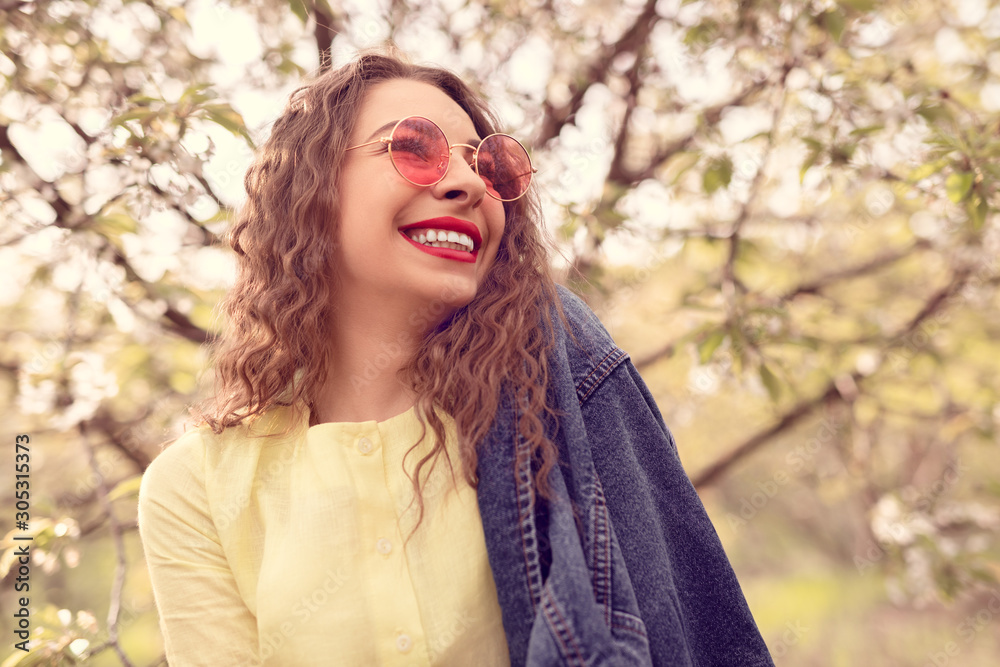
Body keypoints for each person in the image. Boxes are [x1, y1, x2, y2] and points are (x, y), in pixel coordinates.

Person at [137, 51, 774, 666]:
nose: (470, 184)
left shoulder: (560, 382)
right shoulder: (194, 488)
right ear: (310, 192)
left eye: (492, 169)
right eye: (413, 148)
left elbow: (697, 631)